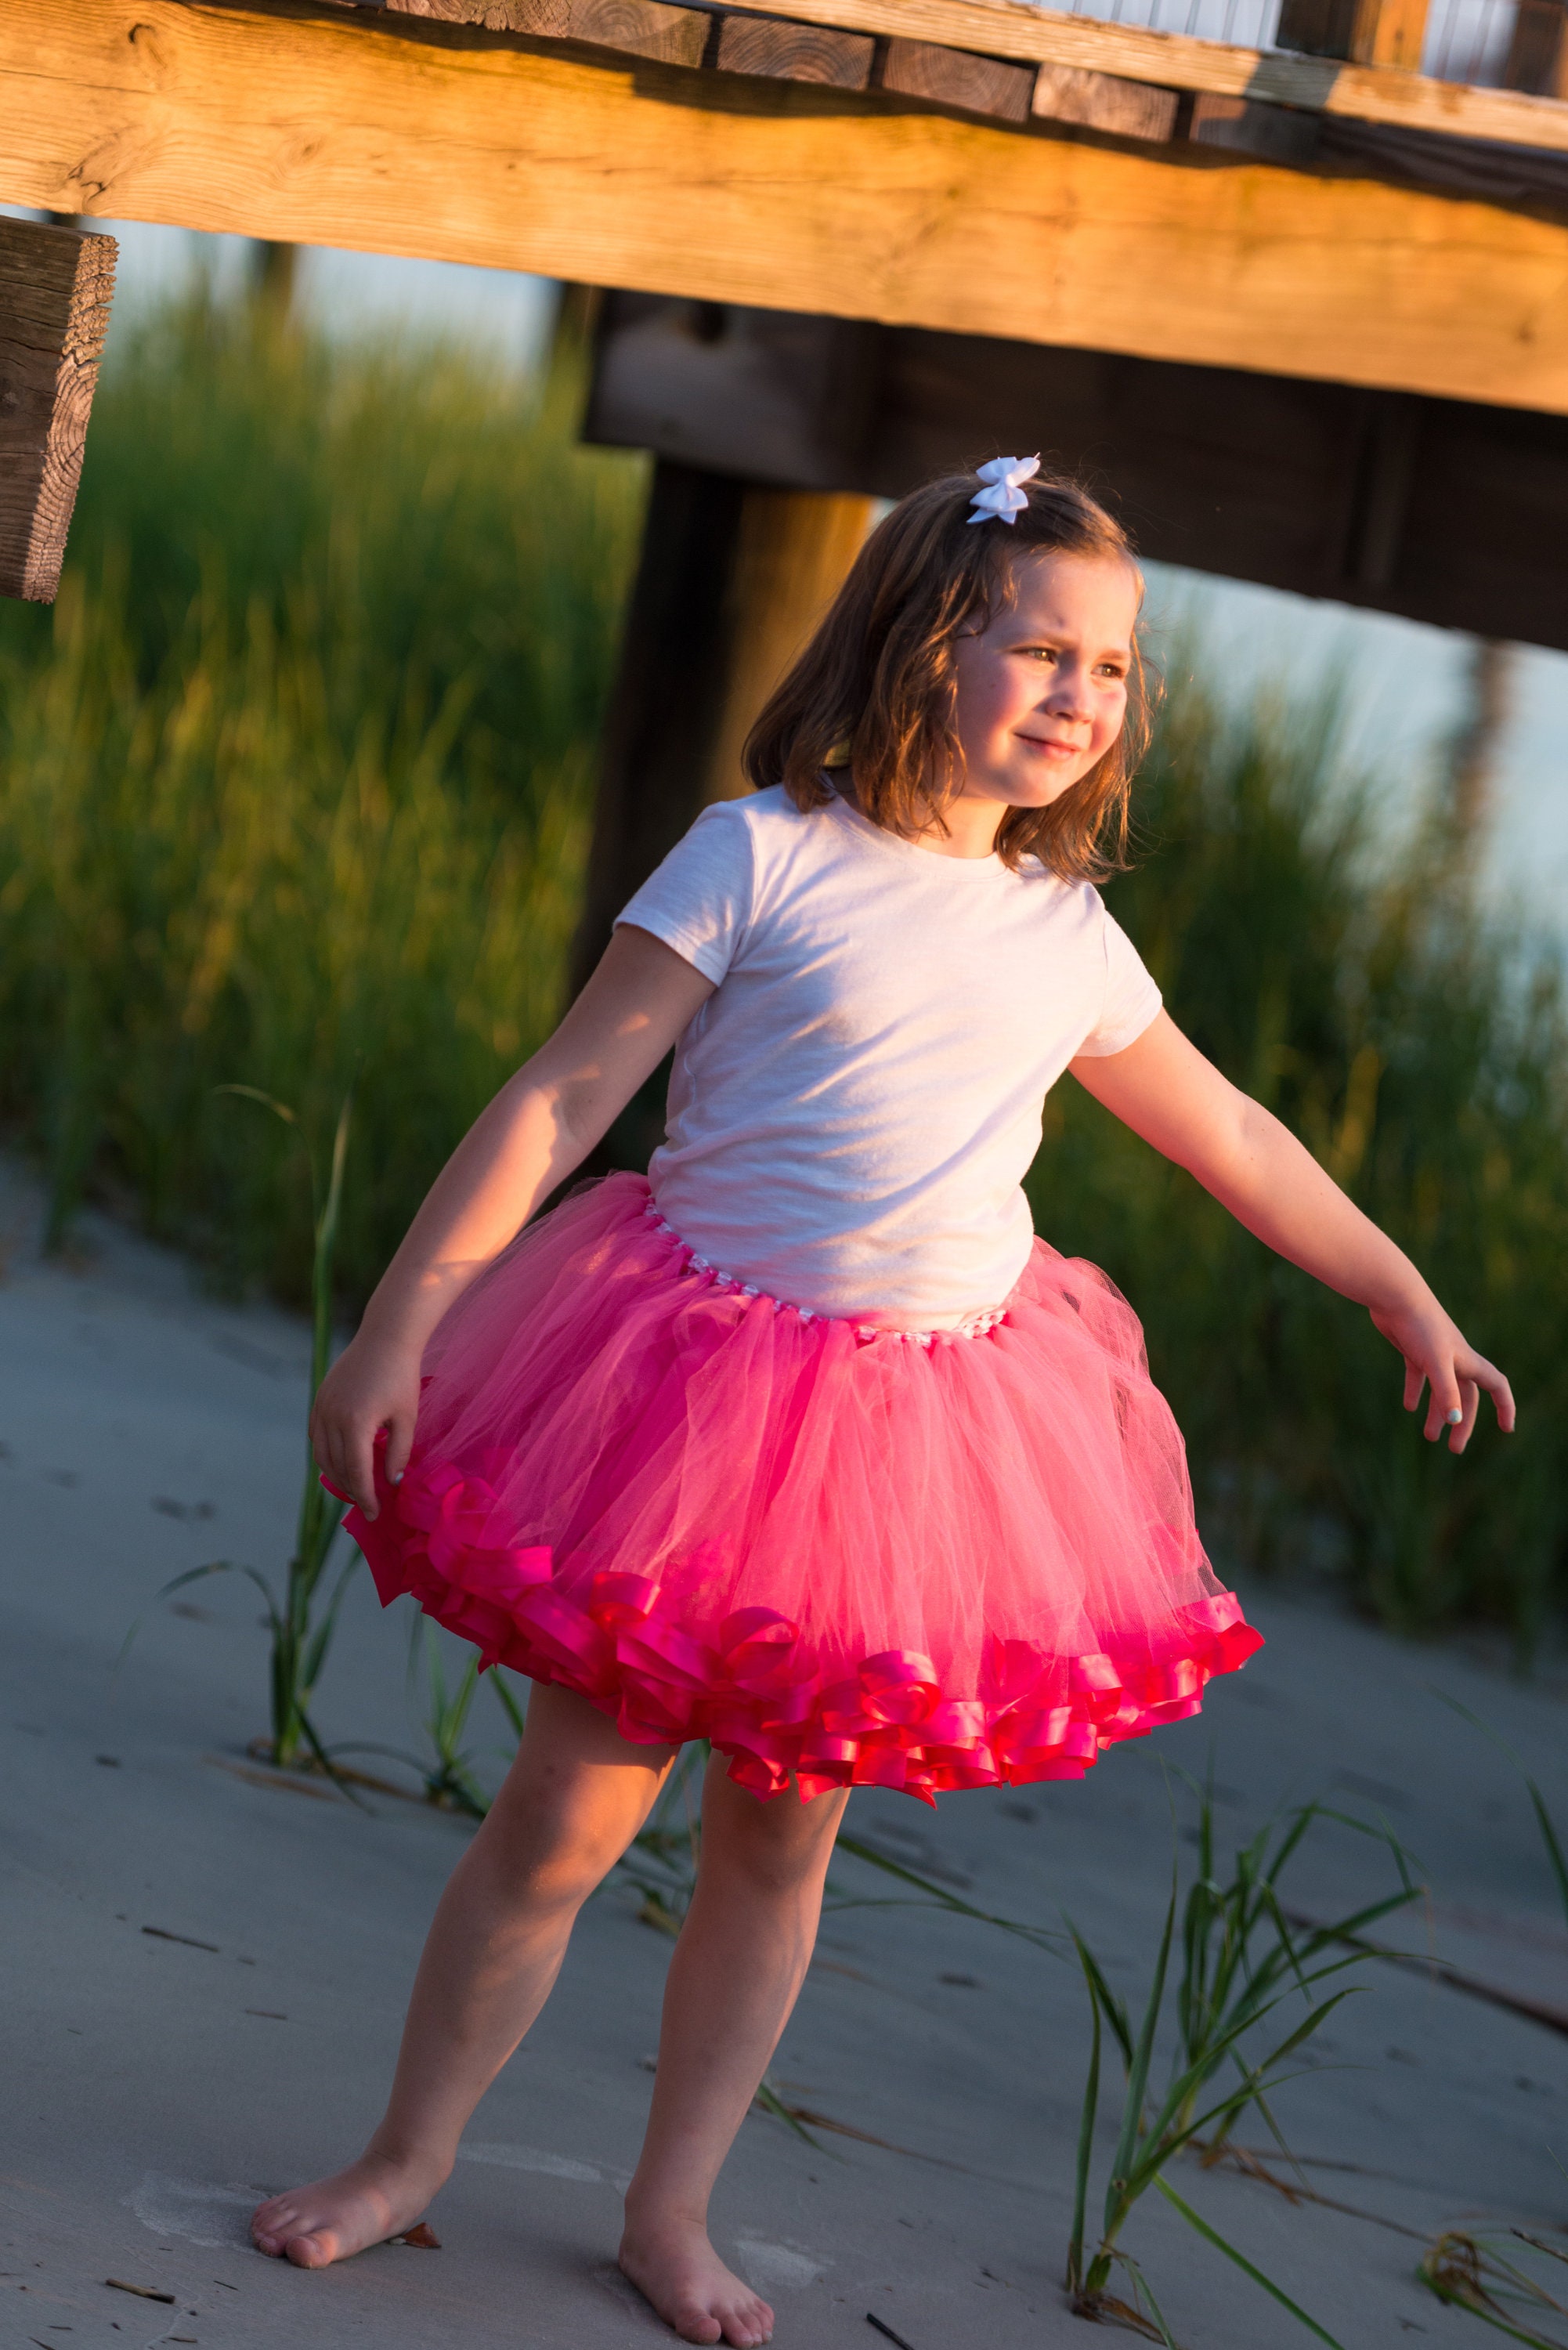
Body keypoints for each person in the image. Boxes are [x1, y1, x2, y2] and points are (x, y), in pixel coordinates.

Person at [251, 459, 1513, 2346]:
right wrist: (399, 1324)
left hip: (909, 1450)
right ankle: (408, 2157)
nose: (1085, 696)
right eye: (1042, 650)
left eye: (1111, 667)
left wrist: (1394, 1287)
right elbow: (559, 1096)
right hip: (687, 1410)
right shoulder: (757, 854)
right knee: (570, 1812)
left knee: (783, 1835)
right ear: (926, 644)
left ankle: (668, 2213)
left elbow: (1226, 1133)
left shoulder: (1062, 930)